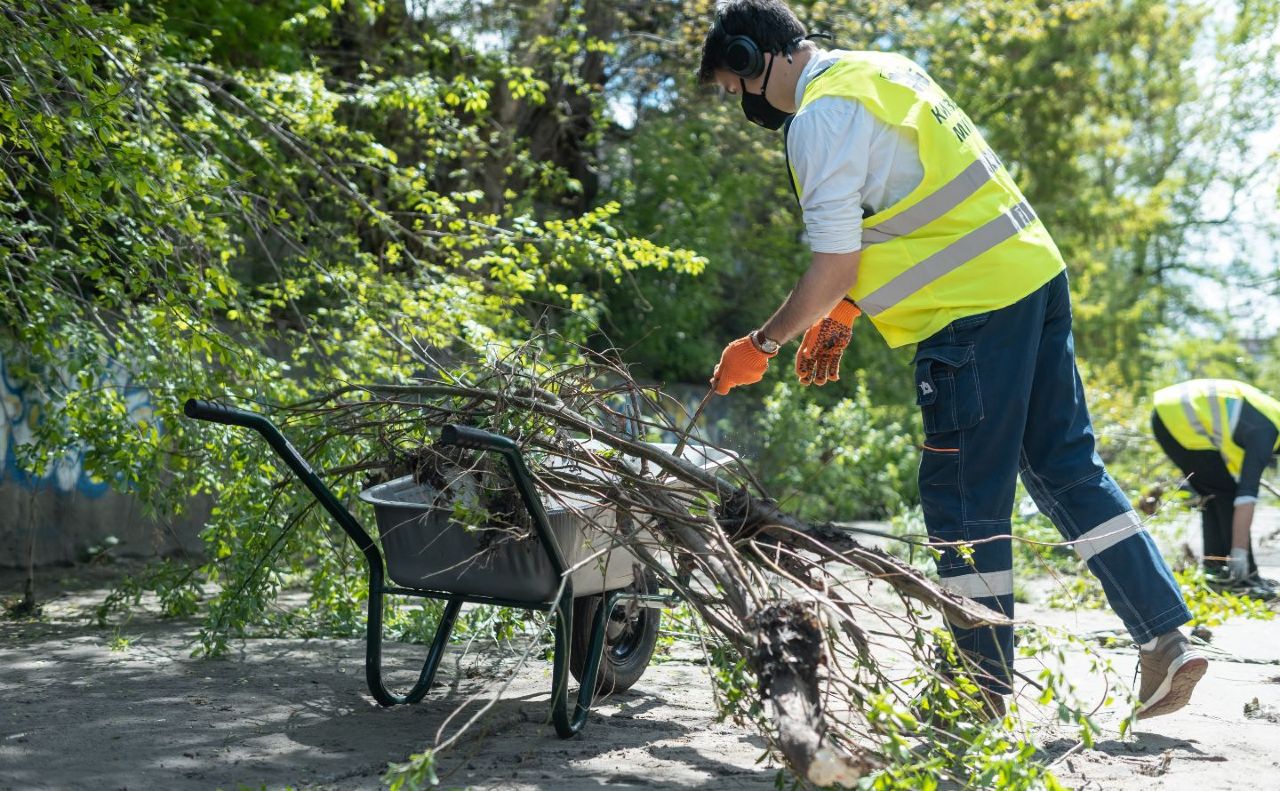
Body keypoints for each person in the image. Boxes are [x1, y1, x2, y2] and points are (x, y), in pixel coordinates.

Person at [698, 0, 1205, 719]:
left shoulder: (817, 119)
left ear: (754, 60)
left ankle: (979, 692)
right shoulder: (884, 71)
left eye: (732, 88)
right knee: (1066, 466)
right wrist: (844, 310)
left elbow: (836, 258)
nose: (742, 106)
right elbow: (910, 200)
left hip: (969, 314)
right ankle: (1165, 639)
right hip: (1031, 277)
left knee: (964, 500)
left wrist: (761, 345)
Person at [1152, 379, 1278, 597]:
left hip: (1167, 415)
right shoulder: (1266, 433)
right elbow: (1245, 496)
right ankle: (1242, 578)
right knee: (1226, 493)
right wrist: (1239, 553)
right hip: (1177, 418)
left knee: (1213, 494)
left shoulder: (1270, 418)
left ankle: (1215, 570)